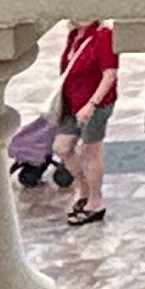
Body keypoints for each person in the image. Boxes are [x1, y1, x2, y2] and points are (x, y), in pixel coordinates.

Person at [50, 19, 116, 228]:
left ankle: (95, 202)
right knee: (61, 147)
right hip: (72, 103)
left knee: (90, 152)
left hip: (95, 105)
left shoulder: (103, 35)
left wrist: (92, 104)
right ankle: (84, 188)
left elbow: (109, 75)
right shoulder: (74, 36)